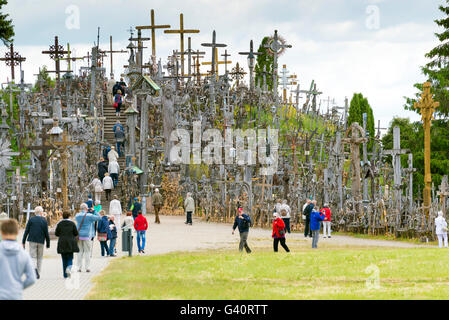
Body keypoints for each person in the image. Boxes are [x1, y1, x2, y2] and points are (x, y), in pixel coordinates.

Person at [0, 219, 36, 300]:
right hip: (15, 295)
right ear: (17, 232)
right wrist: (18, 287)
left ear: (1, 232)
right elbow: (32, 278)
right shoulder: (23, 254)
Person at [22, 206, 50, 279]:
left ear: (35, 212)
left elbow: (26, 231)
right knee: (40, 257)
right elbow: (46, 233)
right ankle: (38, 272)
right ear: (41, 212)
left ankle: (34, 271)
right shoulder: (44, 221)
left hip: (32, 240)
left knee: (32, 256)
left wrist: (23, 242)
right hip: (41, 241)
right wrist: (48, 243)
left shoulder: (31, 220)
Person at [75, 203, 101, 272]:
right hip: (87, 235)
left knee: (80, 252)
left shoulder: (77, 215)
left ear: (80, 209)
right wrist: (94, 211)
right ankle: (87, 267)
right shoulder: (89, 216)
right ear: (86, 209)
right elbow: (99, 217)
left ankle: (79, 267)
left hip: (79, 235)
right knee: (87, 252)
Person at [55, 211, 79, 278]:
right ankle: (69, 270)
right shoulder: (72, 223)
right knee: (70, 258)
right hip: (70, 242)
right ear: (69, 216)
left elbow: (56, 233)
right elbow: (76, 233)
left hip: (62, 242)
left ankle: (65, 275)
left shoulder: (60, 224)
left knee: (64, 259)